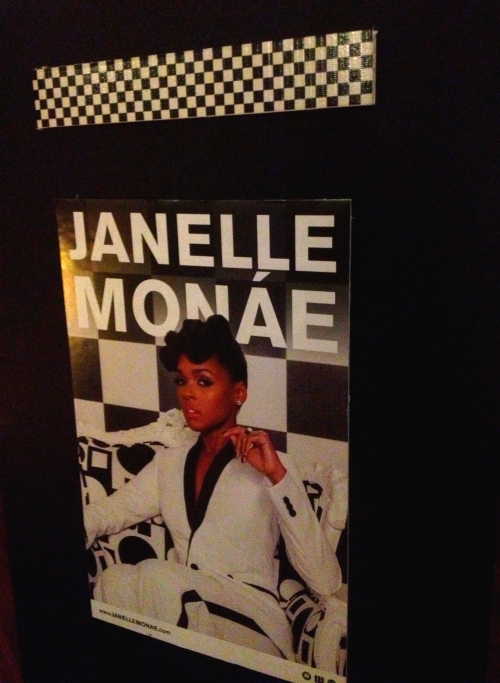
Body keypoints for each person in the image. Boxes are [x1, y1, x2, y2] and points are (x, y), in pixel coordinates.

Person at [84, 315, 341, 660]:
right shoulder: (169, 464)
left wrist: (276, 476)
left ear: (238, 393)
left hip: (253, 621)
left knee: (161, 578)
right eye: (181, 380)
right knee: (114, 579)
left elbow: (326, 581)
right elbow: (109, 513)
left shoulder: (274, 465)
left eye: (203, 381)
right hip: (181, 605)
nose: (187, 392)